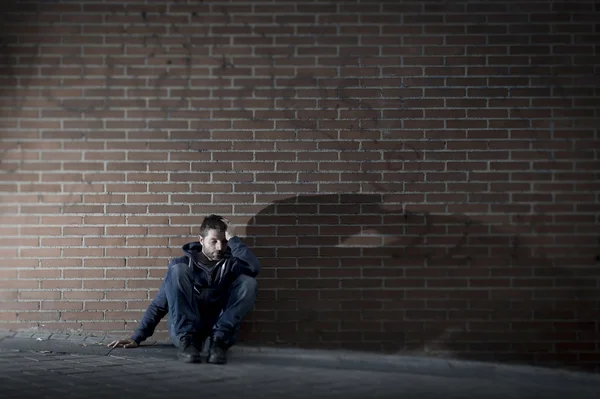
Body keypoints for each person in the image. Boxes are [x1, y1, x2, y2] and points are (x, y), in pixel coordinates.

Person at [107, 215, 260, 365]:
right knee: (178, 269)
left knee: (248, 282)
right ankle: (188, 341)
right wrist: (137, 337)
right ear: (201, 240)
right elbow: (160, 304)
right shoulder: (182, 266)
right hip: (184, 334)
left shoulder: (232, 264)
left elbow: (253, 268)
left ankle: (218, 341)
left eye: (224, 242)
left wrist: (233, 240)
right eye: (213, 241)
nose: (220, 247)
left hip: (218, 334)